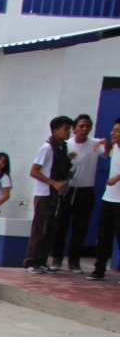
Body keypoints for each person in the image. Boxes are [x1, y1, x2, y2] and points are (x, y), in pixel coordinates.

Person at [51, 114, 107, 272]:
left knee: (80, 226)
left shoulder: (95, 143)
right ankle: (56, 257)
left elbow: (106, 153)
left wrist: (106, 143)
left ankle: (74, 260)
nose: (84, 129)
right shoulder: (66, 144)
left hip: (85, 190)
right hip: (67, 189)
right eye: (81, 126)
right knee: (61, 224)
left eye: (88, 126)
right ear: (74, 128)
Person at [24, 115, 75, 274]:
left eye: (69, 129)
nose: (69, 132)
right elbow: (34, 171)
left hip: (57, 195)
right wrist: (53, 182)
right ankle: (31, 261)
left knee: (52, 229)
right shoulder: (46, 148)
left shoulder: (62, 148)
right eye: (66, 129)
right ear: (55, 130)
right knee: (40, 229)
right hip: (45, 194)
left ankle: (42, 260)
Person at [87, 118, 120, 282]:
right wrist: (105, 143)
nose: (113, 133)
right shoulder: (115, 147)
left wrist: (117, 178)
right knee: (103, 235)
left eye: (117, 131)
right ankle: (99, 269)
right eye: (113, 130)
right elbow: (107, 153)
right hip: (108, 198)